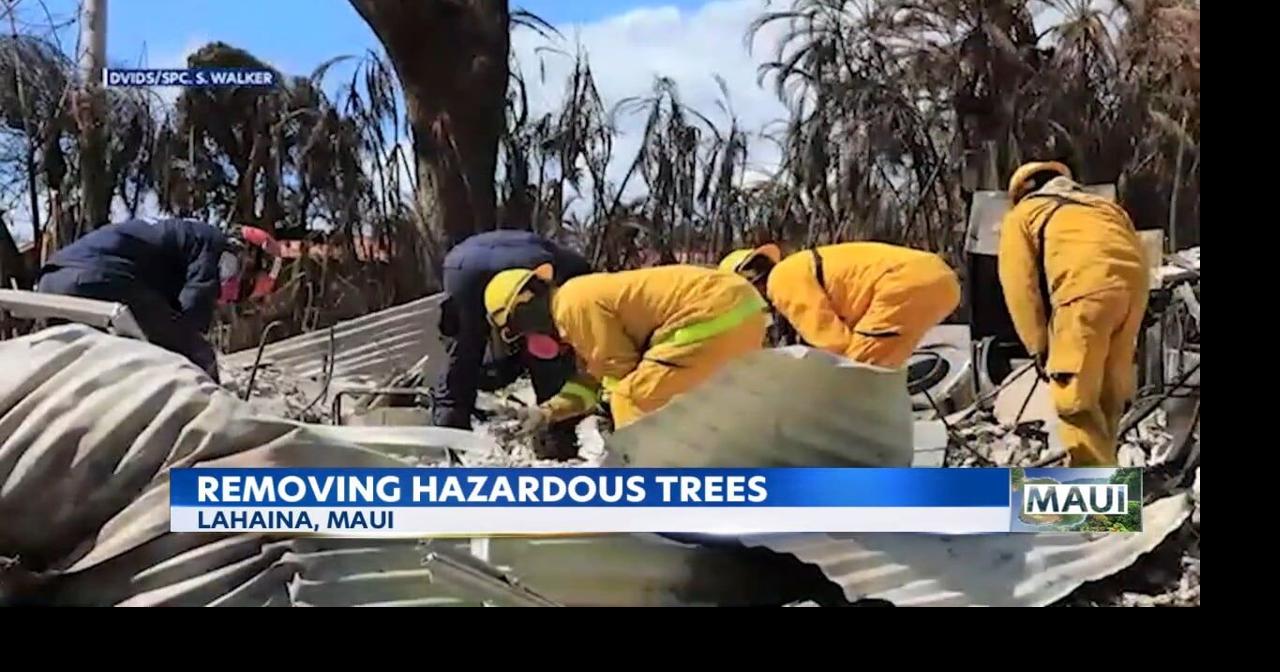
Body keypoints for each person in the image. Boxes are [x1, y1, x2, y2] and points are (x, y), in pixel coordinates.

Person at [483, 264, 767, 437]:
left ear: (525, 305)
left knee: (630, 397)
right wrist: (546, 412)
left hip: (707, 313)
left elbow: (619, 373)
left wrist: (617, 426)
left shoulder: (571, 306)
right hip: (740, 310)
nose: (528, 337)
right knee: (694, 401)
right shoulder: (575, 305)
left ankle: (642, 490)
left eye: (518, 328)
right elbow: (592, 382)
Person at [997, 161, 1148, 466]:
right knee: (1108, 399)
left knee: (1075, 404)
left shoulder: (1025, 213)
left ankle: (1094, 508)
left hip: (1083, 297)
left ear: (1025, 192)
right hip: (1134, 295)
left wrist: (1037, 344)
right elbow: (1139, 252)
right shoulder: (1104, 207)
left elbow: (1020, 284)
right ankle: (1109, 481)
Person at [430, 230, 592, 456]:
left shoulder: (567, 261)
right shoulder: (579, 273)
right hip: (532, 263)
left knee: (462, 354)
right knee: (549, 357)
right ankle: (555, 443)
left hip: (460, 265)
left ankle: (449, 439)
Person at [36, 217, 249, 382]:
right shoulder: (213, 243)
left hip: (50, 281)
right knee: (198, 353)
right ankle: (211, 425)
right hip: (96, 278)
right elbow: (193, 310)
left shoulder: (176, 238)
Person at [719, 242, 961, 369]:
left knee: (855, 374)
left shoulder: (781, 279)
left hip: (904, 284)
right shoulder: (798, 268)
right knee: (884, 371)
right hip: (940, 280)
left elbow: (832, 342)